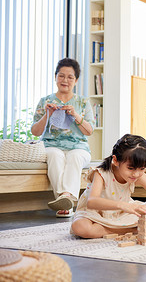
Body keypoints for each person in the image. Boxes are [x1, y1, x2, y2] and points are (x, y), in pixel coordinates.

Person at [71, 134, 146, 238]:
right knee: (80, 227)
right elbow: (92, 202)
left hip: (121, 214)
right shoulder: (101, 173)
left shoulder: (139, 176)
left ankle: (113, 228)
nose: (136, 174)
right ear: (115, 160)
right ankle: (132, 229)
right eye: (131, 168)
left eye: (142, 168)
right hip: (96, 214)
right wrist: (124, 205)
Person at [31, 58, 95, 218]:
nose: (65, 80)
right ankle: (66, 199)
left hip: (79, 147)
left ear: (76, 80)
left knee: (75, 156)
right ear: (55, 77)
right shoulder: (45, 101)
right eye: (61, 76)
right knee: (54, 155)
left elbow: (89, 131)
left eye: (70, 77)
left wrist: (75, 115)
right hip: (52, 145)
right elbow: (35, 131)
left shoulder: (83, 102)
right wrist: (47, 115)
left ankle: (63, 199)